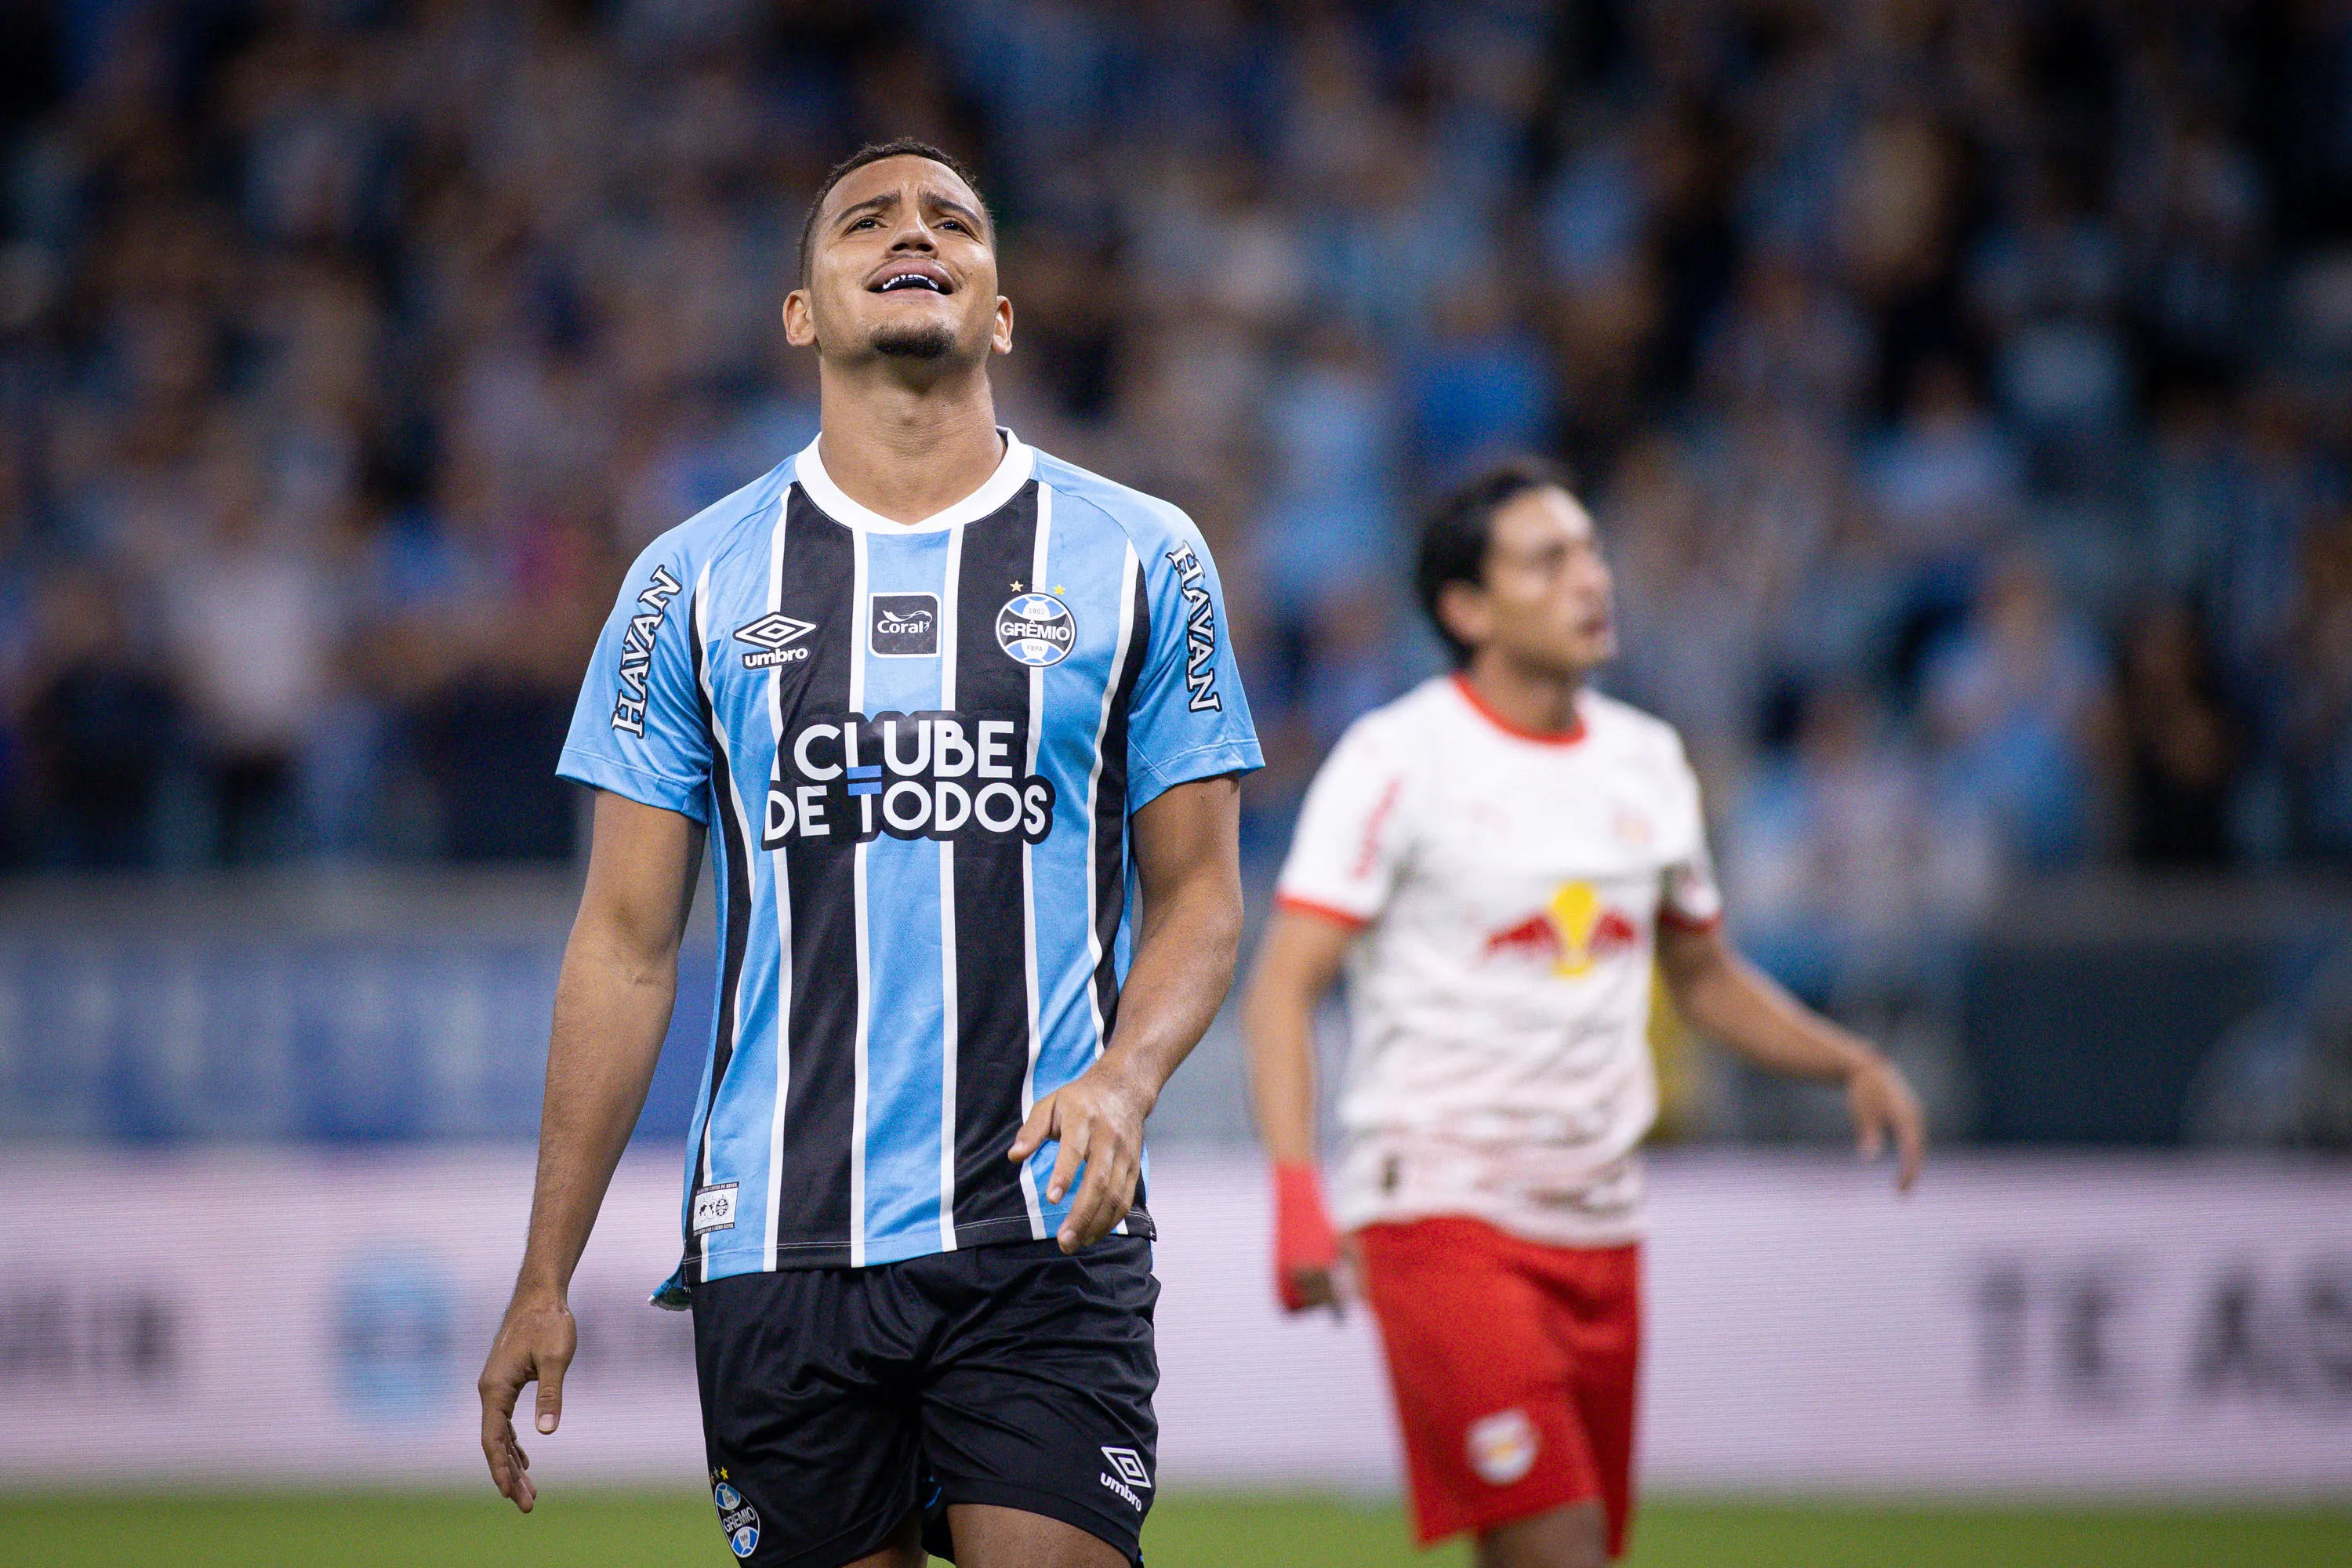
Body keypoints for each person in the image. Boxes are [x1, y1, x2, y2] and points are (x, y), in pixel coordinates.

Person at [477, 140, 1261, 1568]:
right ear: (802, 310)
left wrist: (1127, 1079)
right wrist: (547, 1271)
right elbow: (625, 944)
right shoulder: (689, 582)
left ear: (1001, 311)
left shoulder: (1145, 554)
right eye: (867, 221)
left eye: (954, 220)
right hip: (778, 1239)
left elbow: (1203, 893)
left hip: (1040, 1224)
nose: (915, 233)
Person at [1241, 459, 1923, 1568]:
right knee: (1557, 1546)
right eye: (1547, 560)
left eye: (1591, 551)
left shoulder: (1647, 763)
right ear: (1467, 607)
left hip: (1604, 1222)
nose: (1590, 579)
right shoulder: (1397, 760)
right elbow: (1284, 982)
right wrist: (1296, 1197)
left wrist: (1846, 1059)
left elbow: (1704, 977)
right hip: (1441, 1210)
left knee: (1573, 1551)